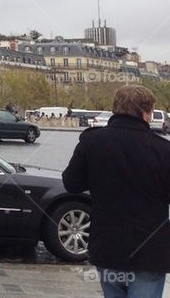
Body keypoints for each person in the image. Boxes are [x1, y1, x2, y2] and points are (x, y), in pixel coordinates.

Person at [62, 85, 170, 298]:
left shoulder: (92, 141)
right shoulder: (163, 150)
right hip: (149, 251)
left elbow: (71, 183)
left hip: (108, 245)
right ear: (146, 113)